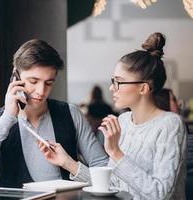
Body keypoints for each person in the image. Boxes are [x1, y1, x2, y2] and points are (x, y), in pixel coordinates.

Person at [38, 33, 187, 199]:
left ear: (143, 88)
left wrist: (116, 152)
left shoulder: (170, 124)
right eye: (112, 80)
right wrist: (67, 162)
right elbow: (111, 186)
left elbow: (160, 194)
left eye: (119, 81)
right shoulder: (123, 121)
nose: (111, 88)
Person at [0, 39, 108, 187]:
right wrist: (7, 118)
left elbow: (105, 172)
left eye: (49, 83)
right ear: (15, 76)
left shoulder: (71, 114)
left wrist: (69, 164)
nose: (41, 91)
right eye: (33, 81)